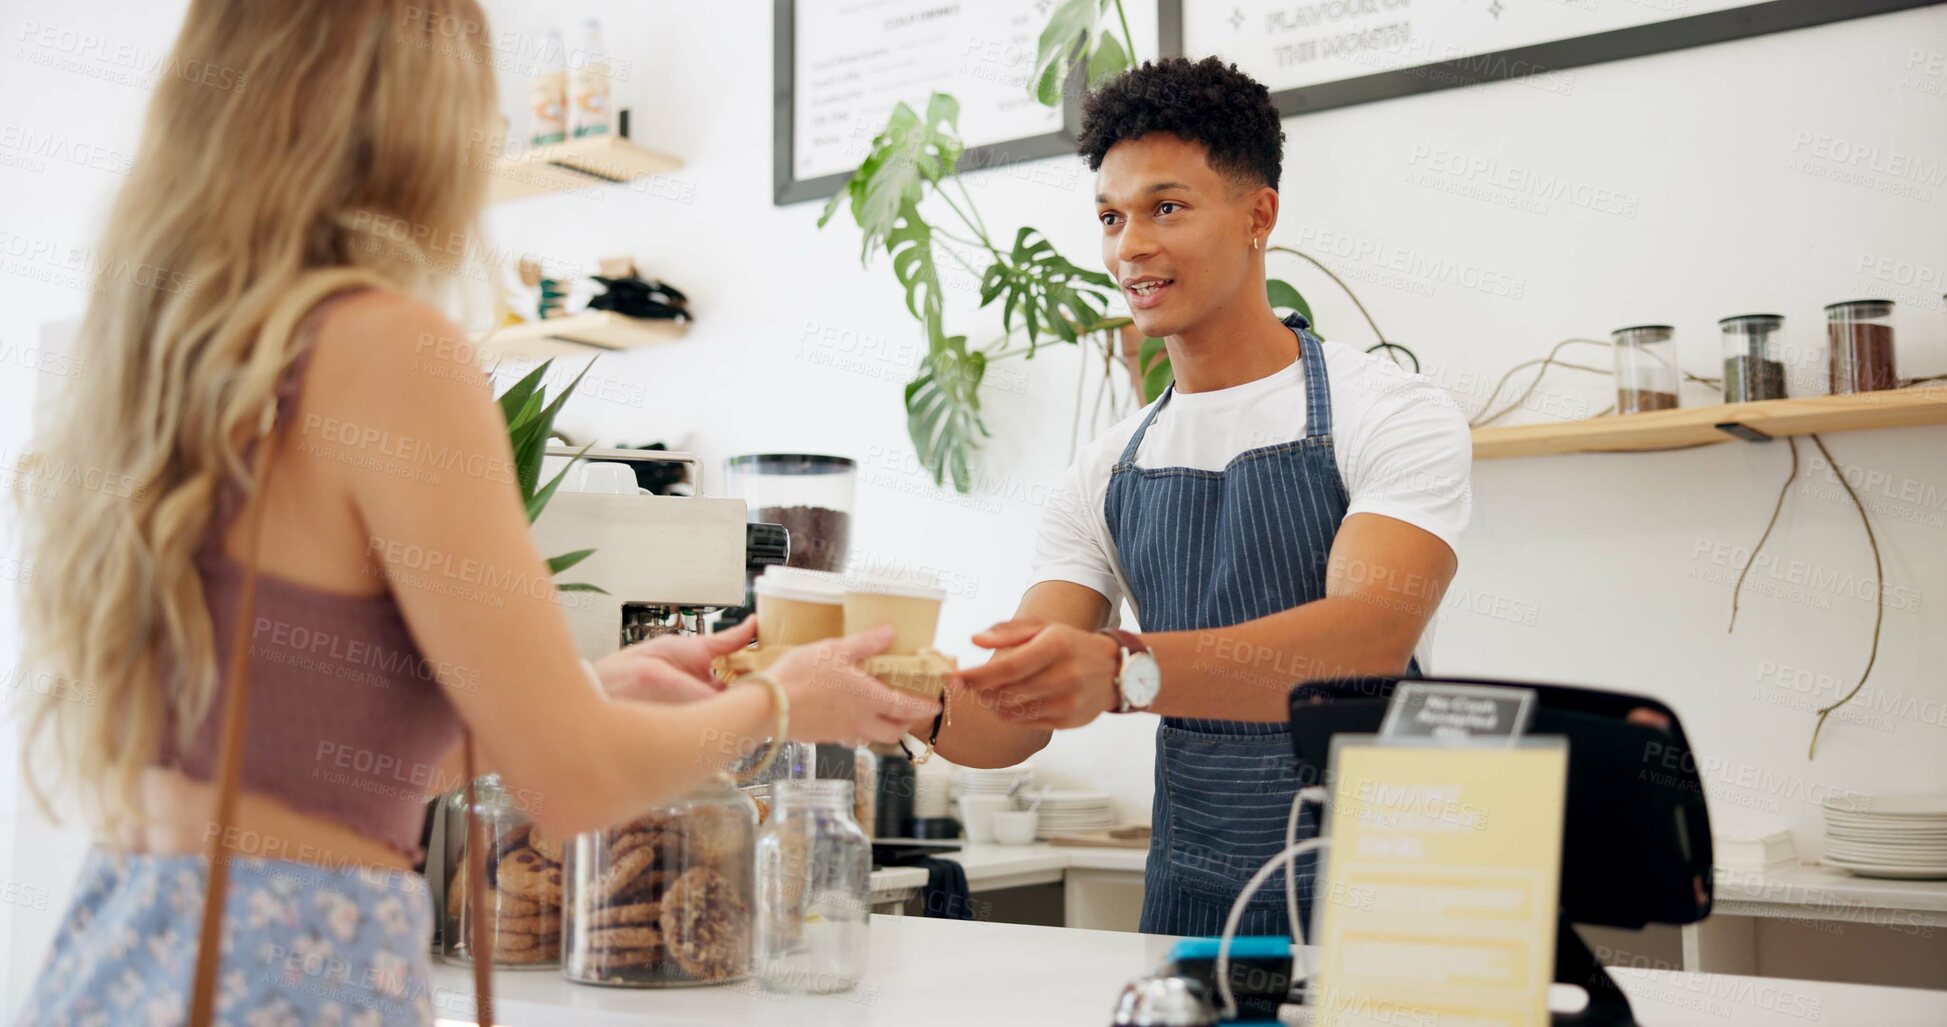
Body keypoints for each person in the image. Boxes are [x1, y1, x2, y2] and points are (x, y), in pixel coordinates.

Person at [12, 2, 936, 1023]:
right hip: (289, 964)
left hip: (129, 949)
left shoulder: (186, 361)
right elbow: (576, 784)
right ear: (418, 111)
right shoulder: (386, 348)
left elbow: (310, 751)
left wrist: (597, 686)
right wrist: (784, 703)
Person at [936, 57, 1472, 937]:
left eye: (1165, 208)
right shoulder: (1105, 469)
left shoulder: (1391, 411)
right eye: (1110, 217)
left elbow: (1367, 638)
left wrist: (1117, 672)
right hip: (1191, 898)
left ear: (1257, 214)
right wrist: (895, 695)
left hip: (1378, 897)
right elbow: (1012, 721)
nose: (1128, 247)